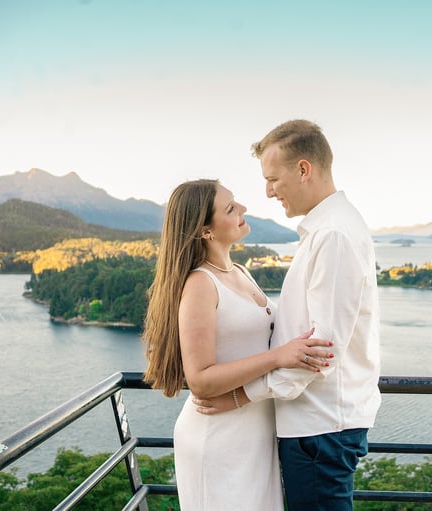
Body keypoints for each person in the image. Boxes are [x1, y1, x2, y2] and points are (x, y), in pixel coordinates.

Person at [194, 120, 381, 510]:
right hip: (316, 426)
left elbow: (319, 352)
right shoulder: (325, 231)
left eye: (273, 178)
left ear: (303, 169)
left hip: (321, 427)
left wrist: (241, 395)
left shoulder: (333, 236)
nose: (267, 191)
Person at [142, 178, 333, 510]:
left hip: (253, 433)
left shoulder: (241, 272)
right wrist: (278, 358)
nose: (244, 209)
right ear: (205, 231)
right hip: (217, 437)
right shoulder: (201, 283)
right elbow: (200, 381)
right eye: (230, 208)